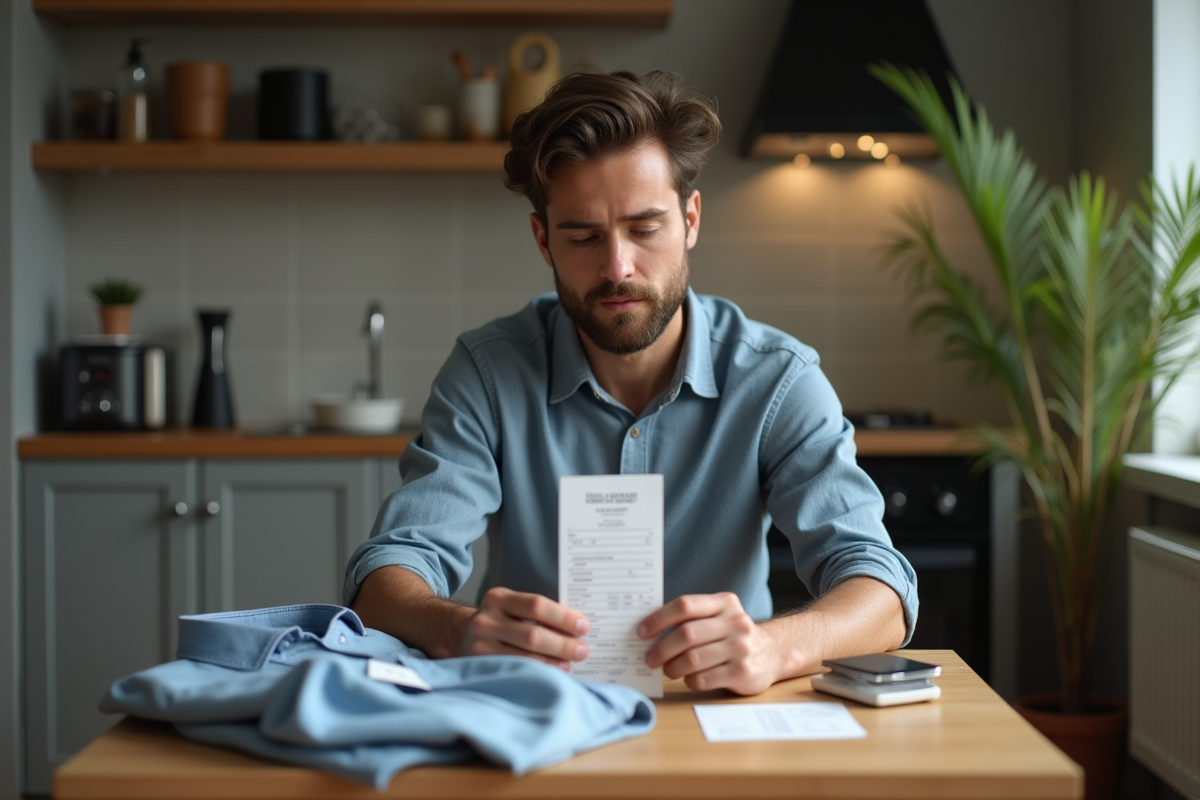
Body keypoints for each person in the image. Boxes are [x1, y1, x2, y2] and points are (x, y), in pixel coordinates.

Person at [345, 69, 917, 696]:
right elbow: (388, 573)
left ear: (691, 220)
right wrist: (459, 631)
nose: (617, 267)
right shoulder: (487, 373)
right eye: (584, 236)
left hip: (722, 722)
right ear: (543, 241)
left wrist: (773, 646)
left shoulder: (778, 378)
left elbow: (881, 588)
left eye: (645, 229)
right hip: (540, 718)